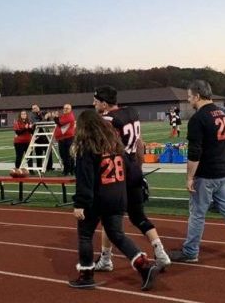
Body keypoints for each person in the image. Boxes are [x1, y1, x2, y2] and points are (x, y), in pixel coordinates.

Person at [168, 80, 225, 266]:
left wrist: (189, 177)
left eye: (189, 96)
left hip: (208, 172)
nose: (188, 100)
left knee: (197, 213)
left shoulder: (198, 118)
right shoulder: (223, 112)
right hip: (224, 169)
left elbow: (195, 152)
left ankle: (191, 251)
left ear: (197, 96)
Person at [68, 109, 160, 291]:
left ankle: (86, 274)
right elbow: (130, 169)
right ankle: (144, 266)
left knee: (85, 235)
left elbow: (85, 180)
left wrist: (80, 204)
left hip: (97, 198)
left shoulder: (86, 148)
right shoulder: (115, 144)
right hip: (118, 196)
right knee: (117, 235)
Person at [92, 86, 170, 272]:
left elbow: (102, 151)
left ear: (104, 103)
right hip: (134, 169)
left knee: (109, 219)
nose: (93, 104)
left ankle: (106, 259)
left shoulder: (106, 120)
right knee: (138, 216)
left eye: (96, 101)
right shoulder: (131, 112)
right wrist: (139, 168)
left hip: (117, 173)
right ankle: (161, 252)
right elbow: (140, 143)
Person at [54, 104, 76, 176]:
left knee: (68, 155)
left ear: (70, 109)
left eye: (67, 108)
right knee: (63, 155)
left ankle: (68, 170)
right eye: (64, 108)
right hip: (62, 138)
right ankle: (70, 170)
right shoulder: (64, 116)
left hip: (68, 138)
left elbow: (59, 123)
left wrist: (55, 117)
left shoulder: (70, 116)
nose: (65, 109)